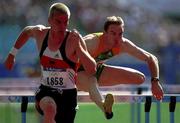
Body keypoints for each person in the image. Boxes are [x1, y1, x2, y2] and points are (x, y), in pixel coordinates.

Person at [4, 3, 98, 123]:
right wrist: (12, 54)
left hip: (68, 95)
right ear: (49, 20)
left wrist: (79, 48)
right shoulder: (41, 34)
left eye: (66, 22)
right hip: (46, 90)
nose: (62, 26)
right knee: (49, 109)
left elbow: (92, 69)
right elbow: (27, 31)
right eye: (58, 22)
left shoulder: (74, 40)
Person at [77, 16, 164, 102]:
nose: (117, 38)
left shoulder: (123, 44)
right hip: (74, 71)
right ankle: (99, 100)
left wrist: (155, 82)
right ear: (105, 33)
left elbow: (152, 58)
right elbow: (67, 55)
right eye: (113, 33)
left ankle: (92, 87)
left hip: (93, 70)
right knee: (91, 81)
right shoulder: (92, 42)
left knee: (139, 78)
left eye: (120, 34)